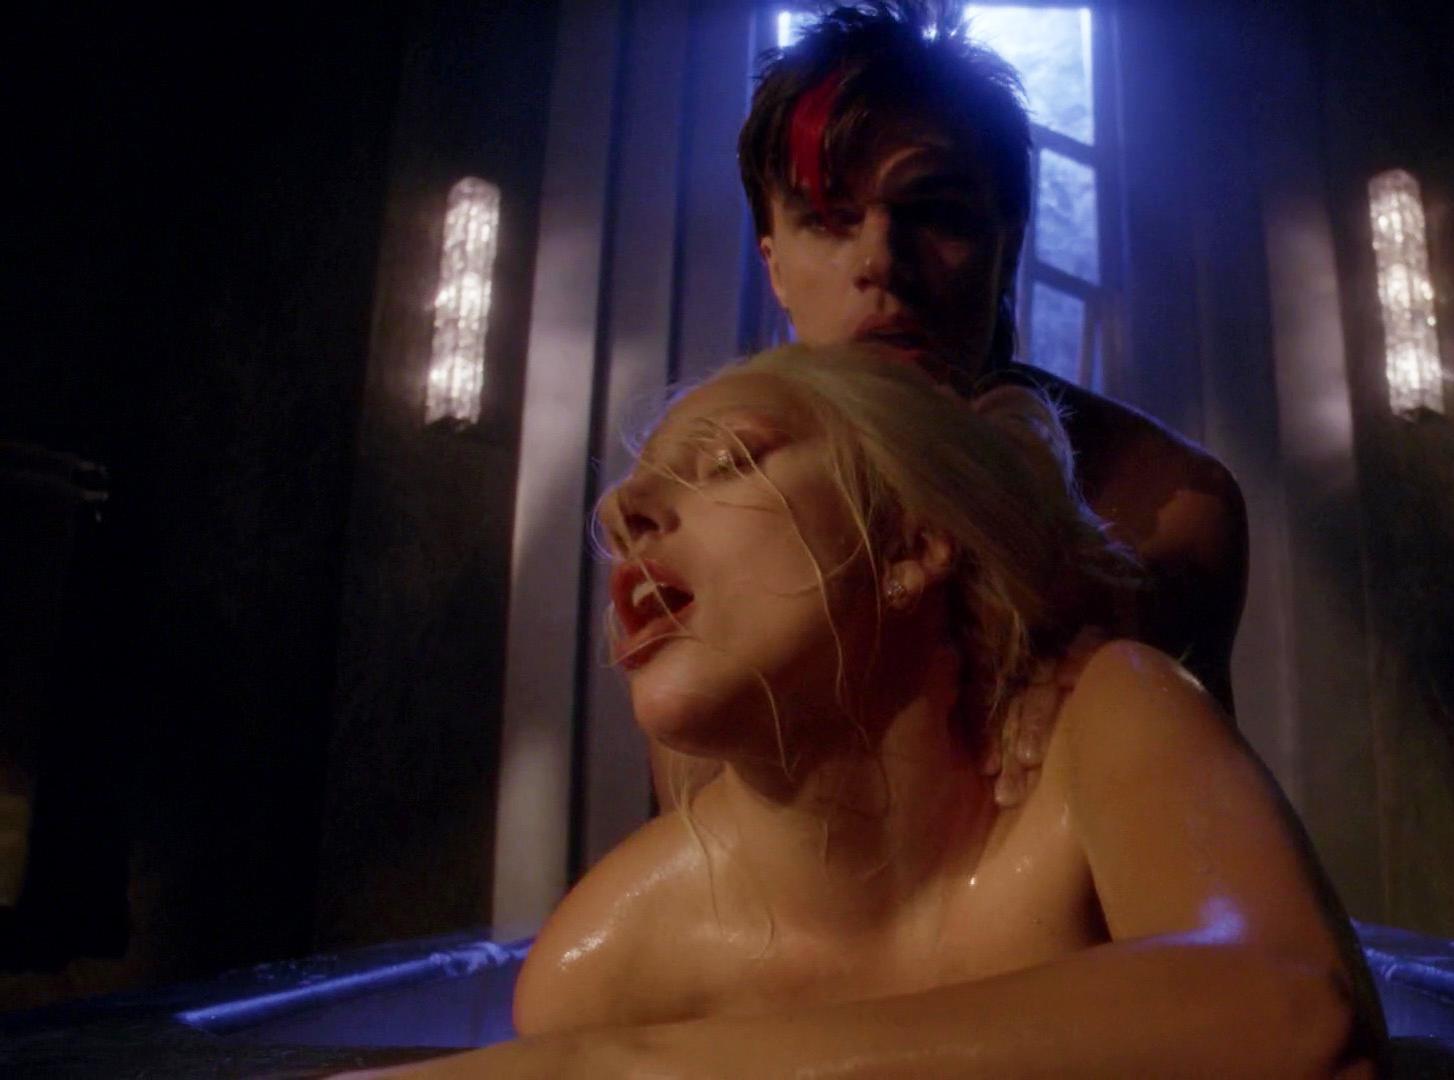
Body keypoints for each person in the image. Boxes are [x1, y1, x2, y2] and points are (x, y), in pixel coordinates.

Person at [380, 344, 1378, 1077]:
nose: (617, 510)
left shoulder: (1106, 719)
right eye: (629, 496)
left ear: (910, 545)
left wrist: (624, 1070)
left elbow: (1293, 1012)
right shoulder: (605, 972)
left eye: (729, 458)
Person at [654, 0, 1249, 813]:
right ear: (775, 266)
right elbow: (704, 842)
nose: (880, 260)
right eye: (828, 219)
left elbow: (1196, 835)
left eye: (934, 212)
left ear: (1009, 240)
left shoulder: (1159, 505)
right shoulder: (699, 515)